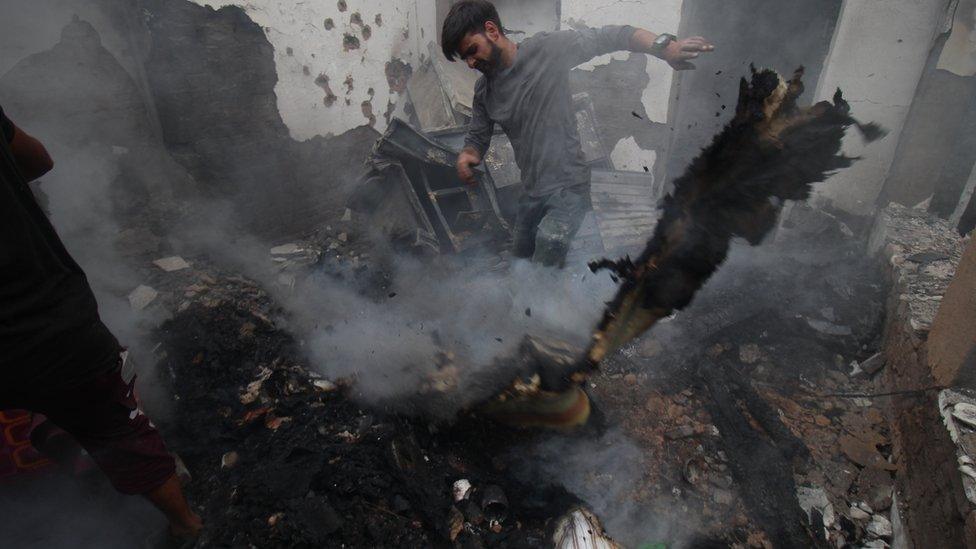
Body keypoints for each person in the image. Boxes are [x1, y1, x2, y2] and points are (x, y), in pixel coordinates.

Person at [0, 104, 202, 541]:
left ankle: (76, 470)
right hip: (48, 318)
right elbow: (39, 160)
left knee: (84, 415)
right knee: (117, 422)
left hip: (34, 327)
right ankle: (185, 525)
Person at [443, 0, 714, 267]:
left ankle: (555, 304)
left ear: (491, 30)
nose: (469, 62)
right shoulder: (484, 91)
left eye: (471, 50)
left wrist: (665, 48)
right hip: (531, 193)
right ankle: (557, 303)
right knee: (521, 267)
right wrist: (468, 155)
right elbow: (477, 137)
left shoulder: (546, 49)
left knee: (542, 266)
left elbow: (614, 36)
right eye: (464, 57)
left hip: (569, 189)